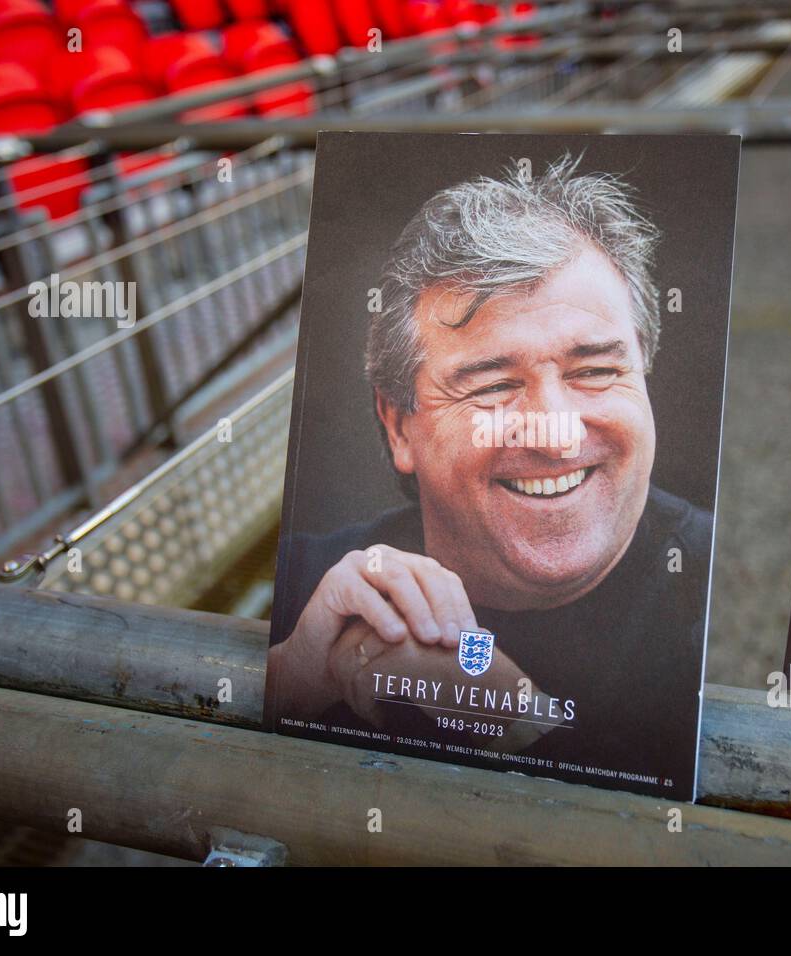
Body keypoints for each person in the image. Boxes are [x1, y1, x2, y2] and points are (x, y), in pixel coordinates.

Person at [268, 156, 713, 776]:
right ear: (399, 424)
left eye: (594, 372)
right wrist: (287, 687)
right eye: (493, 386)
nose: (555, 435)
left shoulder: (730, 599)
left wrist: (517, 721)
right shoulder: (298, 591)